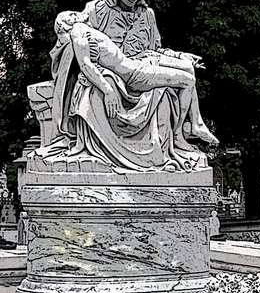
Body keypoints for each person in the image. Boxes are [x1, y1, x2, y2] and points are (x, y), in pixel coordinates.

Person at [37, 10, 217, 172]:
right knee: (188, 80)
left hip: (138, 65)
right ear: (66, 25)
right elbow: (85, 64)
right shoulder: (78, 30)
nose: (76, 14)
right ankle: (184, 131)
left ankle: (195, 124)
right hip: (135, 75)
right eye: (70, 16)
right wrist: (107, 90)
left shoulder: (86, 30)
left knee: (188, 69)